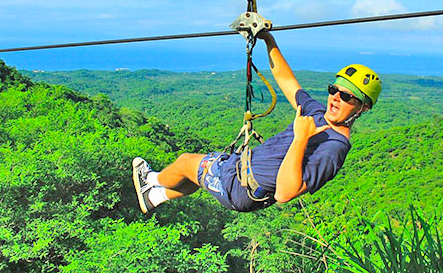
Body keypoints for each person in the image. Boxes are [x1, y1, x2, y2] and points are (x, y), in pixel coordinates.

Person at [132, 32, 382, 213]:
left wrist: (300, 139)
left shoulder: (334, 149)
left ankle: (151, 180)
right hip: (239, 168)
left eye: (347, 96)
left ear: (363, 107)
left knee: (187, 162)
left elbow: (285, 193)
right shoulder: (317, 111)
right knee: (193, 177)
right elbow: (286, 80)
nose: (336, 98)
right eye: (333, 90)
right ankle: (155, 197)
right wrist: (268, 39)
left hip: (243, 189)